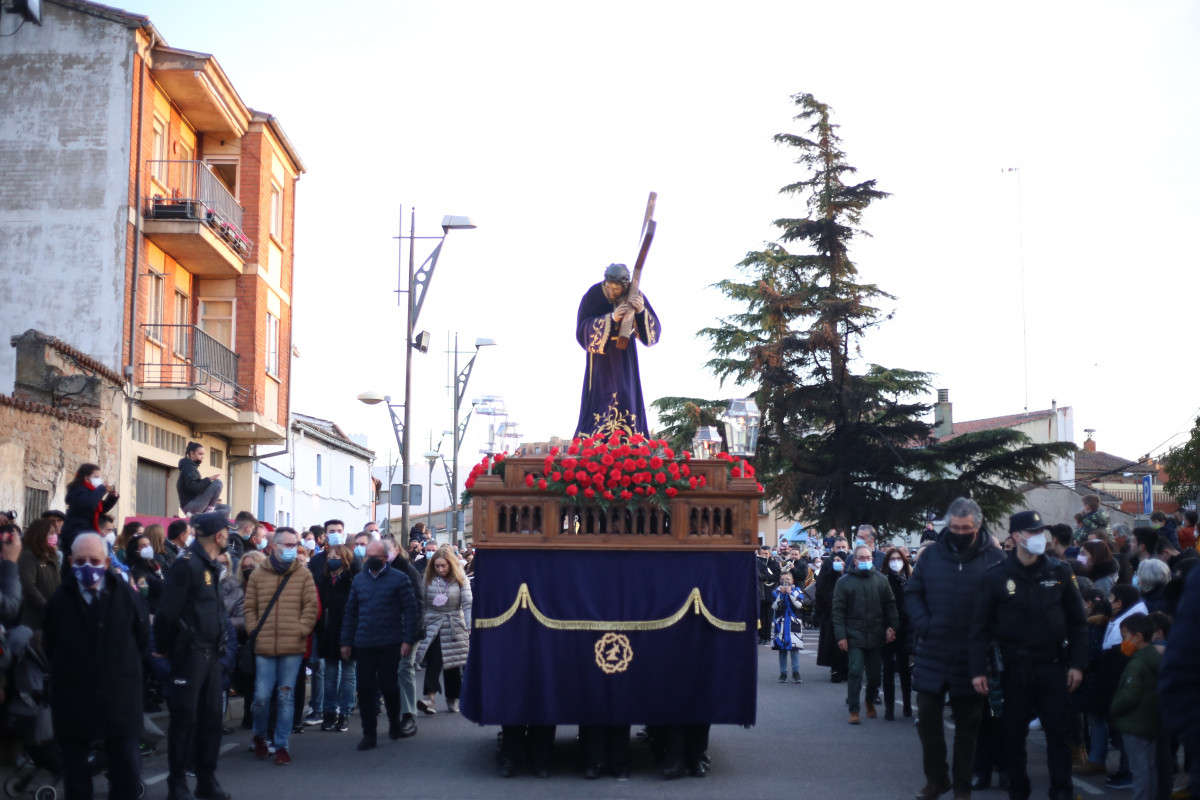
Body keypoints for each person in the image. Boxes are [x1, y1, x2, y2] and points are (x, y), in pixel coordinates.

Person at [970, 510, 1087, 800]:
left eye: (1040, 532)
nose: (1038, 537)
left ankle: (1062, 791)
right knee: (1012, 735)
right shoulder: (996, 577)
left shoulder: (1058, 571)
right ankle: (1018, 790)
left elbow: (1078, 622)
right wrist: (978, 670)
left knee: (1057, 732)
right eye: (1032, 532)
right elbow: (979, 630)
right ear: (1015, 536)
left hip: (1052, 665)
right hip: (1013, 667)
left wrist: (1077, 664)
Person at [907, 497, 1006, 800]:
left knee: (969, 726)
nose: (960, 532)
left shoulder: (995, 558)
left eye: (966, 528)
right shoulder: (932, 555)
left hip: (973, 655)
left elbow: (1004, 604)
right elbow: (913, 594)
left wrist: (989, 635)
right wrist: (926, 625)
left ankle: (962, 785)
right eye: (954, 527)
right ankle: (937, 779)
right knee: (927, 721)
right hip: (934, 650)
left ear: (977, 526)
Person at [44, 532, 148, 800]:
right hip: (73, 699)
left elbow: (141, 637)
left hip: (119, 697)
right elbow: (50, 643)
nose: (87, 567)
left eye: (94, 560)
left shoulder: (125, 595)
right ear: (70, 560)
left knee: (125, 769)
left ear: (105, 562)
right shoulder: (59, 600)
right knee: (76, 776)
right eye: (80, 561)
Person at [155, 512, 234, 800]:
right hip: (189, 654)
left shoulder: (210, 565)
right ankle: (177, 785)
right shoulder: (186, 565)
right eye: (227, 531)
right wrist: (164, 647)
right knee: (185, 719)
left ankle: (206, 780)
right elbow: (167, 612)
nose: (229, 535)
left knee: (212, 719)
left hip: (212, 652)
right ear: (218, 535)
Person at [244, 527, 318, 766]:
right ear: (273, 546)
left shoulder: (303, 575)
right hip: (264, 645)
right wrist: (254, 629)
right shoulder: (257, 574)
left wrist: (301, 630)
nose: (292, 549)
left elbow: (311, 607)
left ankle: (282, 744)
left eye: (294, 545)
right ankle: (259, 735)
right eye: (287, 545)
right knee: (261, 697)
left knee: (285, 696)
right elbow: (249, 607)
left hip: (292, 646)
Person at [341, 540, 419, 751]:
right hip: (364, 642)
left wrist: (407, 640)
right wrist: (346, 641)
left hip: (390, 641)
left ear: (386, 558)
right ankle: (369, 733)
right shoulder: (359, 581)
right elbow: (351, 612)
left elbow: (410, 611)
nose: (371, 560)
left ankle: (394, 721)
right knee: (365, 688)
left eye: (376, 556)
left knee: (388, 685)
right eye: (368, 556)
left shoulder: (399, 579)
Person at [574, 262, 661, 439]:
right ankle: (596, 440)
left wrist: (640, 310)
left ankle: (630, 439)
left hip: (625, 360)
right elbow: (582, 330)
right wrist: (611, 318)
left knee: (625, 393)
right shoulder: (593, 295)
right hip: (600, 362)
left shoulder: (634, 294)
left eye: (617, 289)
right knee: (601, 397)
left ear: (626, 285)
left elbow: (654, 334)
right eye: (609, 288)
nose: (612, 293)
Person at [833, 545, 898, 724]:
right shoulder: (844, 582)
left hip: (876, 635)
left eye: (868, 557)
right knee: (854, 671)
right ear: (854, 561)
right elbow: (838, 611)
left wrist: (893, 626)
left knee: (875, 675)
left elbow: (890, 605)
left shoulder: (881, 580)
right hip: (854, 635)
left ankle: (869, 700)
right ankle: (854, 710)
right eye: (861, 558)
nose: (865, 561)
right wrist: (841, 636)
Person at [415, 545, 473, 714]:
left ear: (451, 565)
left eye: (443, 566)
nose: (440, 569)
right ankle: (430, 698)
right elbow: (422, 603)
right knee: (435, 659)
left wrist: (469, 626)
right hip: (433, 622)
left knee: (452, 663)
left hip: (454, 622)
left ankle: (452, 697)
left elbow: (468, 603)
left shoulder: (461, 578)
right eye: (437, 566)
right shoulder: (428, 577)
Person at [1109, 613, 1160, 800]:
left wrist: (1114, 709)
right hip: (1150, 723)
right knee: (1149, 767)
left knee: (1139, 770)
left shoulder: (1137, 664)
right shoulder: (1155, 657)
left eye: (1124, 637)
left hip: (1134, 724)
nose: (1123, 642)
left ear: (1137, 637)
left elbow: (1129, 696)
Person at [314, 538, 357, 732]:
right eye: (330, 557)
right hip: (328, 634)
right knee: (330, 675)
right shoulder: (323, 580)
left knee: (348, 674)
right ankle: (329, 712)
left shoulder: (351, 581)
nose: (332, 560)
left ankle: (345, 713)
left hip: (349, 632)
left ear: (346, 559)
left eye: (337, 557)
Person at [59, 463, 119, 563]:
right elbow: (89, 504)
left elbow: (100, 508)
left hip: (86, 533)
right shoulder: (78, 491)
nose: (99, 480)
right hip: (75, 534)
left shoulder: (92, 492)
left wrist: (113, 497)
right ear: (86, 478)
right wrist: (102, 489)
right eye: (96, 477)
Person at [17, 518, 61, 643]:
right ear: (40, 534)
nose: (54, 537)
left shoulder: (52, 557)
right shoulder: (28, 556)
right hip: (34, 618)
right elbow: (28, 586)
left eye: (55, 533)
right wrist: (46, 606)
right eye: (51, 533)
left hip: (51, 617)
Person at [881, 546, 913, 720]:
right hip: (888, 629)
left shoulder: (910, 579)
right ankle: (889, 707)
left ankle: (907, 705)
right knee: (888, 667)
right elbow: (881, 606)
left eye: (898, 559)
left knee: (904, 668)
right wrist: (887, 627)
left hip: (906, 628)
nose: (895, 562)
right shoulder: (883, 580)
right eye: (892, 559)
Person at [816, 546, 851, 682]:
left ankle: (846, 669)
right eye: (835, 560)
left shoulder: (849, 576)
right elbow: (820, 593)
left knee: (847, 644)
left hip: (847, 616)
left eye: (840, 560)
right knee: (832, 644)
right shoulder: (827, 576)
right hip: (830, 615)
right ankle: (835, 669)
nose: (836, 562)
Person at [177, 442, 229, 516]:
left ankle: (202, 515)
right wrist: (209, 479)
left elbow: (197, 488)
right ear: (192, 454)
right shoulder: (188, 468)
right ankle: (208, 513)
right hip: (191, 505)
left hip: (195, 504)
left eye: (203, 454)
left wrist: (210, 498)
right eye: (200, 454)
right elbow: (194, 487)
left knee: (227, 508)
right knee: (218, 483)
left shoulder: (191, 467)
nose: (202, 457)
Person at [772, 572, 805, 684]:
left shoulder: (797, 591)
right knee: (782, 649)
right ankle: (783, 673)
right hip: (781, 622)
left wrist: (790, 594)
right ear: (780, 581)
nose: (785, 581)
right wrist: (781, 595)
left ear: (792, 581)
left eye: (788, 579)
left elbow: (799, 605)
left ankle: (796, 672)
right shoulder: (777, 591)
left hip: (793, 622)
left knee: (794, 649)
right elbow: (775, 606)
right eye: (783, 579)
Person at [126, 532, 166, 615]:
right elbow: (159, 585)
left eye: (149, 544)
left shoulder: (154, 565)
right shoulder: (137, 571)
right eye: (143, 546)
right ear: (135, 551)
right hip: (151, 612)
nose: (148, 548)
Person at [755, 545, 782, 645]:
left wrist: (765, 576)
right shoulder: (757, 563)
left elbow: (776, 577)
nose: (764, 555)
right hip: (759, 593)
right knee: (759, 616)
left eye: (766, 553)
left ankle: (766, 636)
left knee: (768, 617)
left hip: (769, 593)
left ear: (770, 554)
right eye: (762, 553)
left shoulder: (774, 564)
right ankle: (759, 635)